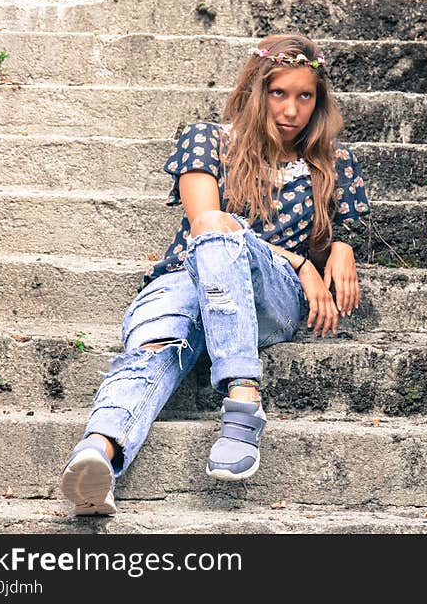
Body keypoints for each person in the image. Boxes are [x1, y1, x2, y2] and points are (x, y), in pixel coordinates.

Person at [60, 34, 371, 515]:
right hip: (187, 281)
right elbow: (208, 223)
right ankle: (98, 455)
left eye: (304, 96)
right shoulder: (207, 141)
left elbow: (350, 223)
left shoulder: (332, 163)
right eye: (278, 93)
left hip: (270, 295)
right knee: (157, 344)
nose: (291, 110)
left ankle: (242, 395)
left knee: (219, 240)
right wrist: (302, 260)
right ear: (255, 92)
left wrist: (343, 246)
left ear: (318, 99)